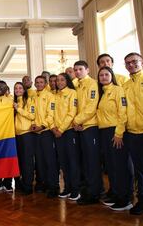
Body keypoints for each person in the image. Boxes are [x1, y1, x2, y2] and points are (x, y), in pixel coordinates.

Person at [97, 66, 133, 211]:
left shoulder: (118, 90)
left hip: (115, 132)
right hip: (104, 132)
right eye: (101, 75)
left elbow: (123, 112)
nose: (104, 77)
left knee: (120, 166)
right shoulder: (103, 93)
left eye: (106, 74)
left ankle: (126, 198)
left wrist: (118, 133)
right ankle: (116, 194)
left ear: (112, 76)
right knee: (111, 166)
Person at [72, 60, 102, 205]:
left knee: (92, 161)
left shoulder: (93, 84)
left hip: (90, 127)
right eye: (75, 70)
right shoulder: (75, 85)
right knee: (83, 161)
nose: (77, 72)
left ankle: (94, 193)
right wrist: (76, 122)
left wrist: (76, 121)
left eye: (80, 69)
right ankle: (88, 190)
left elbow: (91, 107)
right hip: (78, 128)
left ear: (87, 70)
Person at [122, 52, 143, 215]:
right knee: (140, 169)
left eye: (134, 62)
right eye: (128, 63)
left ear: (142, 62)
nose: (131, 65)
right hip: (132, 132)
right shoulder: (125, 85)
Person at [52, 73, 80, 201]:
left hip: (68, 132)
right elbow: (50, 113)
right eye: (57, 80)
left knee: (72, 161)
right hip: (57, 133)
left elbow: (71, 113)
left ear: (67, 81)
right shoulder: (54, 95)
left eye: (62, 79)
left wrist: (61, 129)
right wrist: (53, 128)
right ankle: (67, 188)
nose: (59, 82)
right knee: (63, 162)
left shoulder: (72, 93)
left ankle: (75, 190)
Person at [31, 76, 58, 198]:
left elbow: (50, 114)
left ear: (45, 83)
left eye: (41, 82)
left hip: (46, 131)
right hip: (35, 133)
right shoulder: (33, 96)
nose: (39, 84)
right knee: (39, 160)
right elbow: (31, 113)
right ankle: (42, 183)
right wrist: (32, 125)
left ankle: (53, 186)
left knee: (50, 160)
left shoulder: (50, 96)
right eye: (37, 82)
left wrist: (42, 126)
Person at [13, 82, 35, 195]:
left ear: (24, 89)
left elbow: (32, 115)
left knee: (27, 161)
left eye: (20, 88)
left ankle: (28, 185)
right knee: (19, 161)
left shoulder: (29, 100)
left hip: (27, 134)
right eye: (16, 88)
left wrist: (19, 109)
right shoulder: (14, 102)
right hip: (16, 135)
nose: (18, 90)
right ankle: (20, 184)